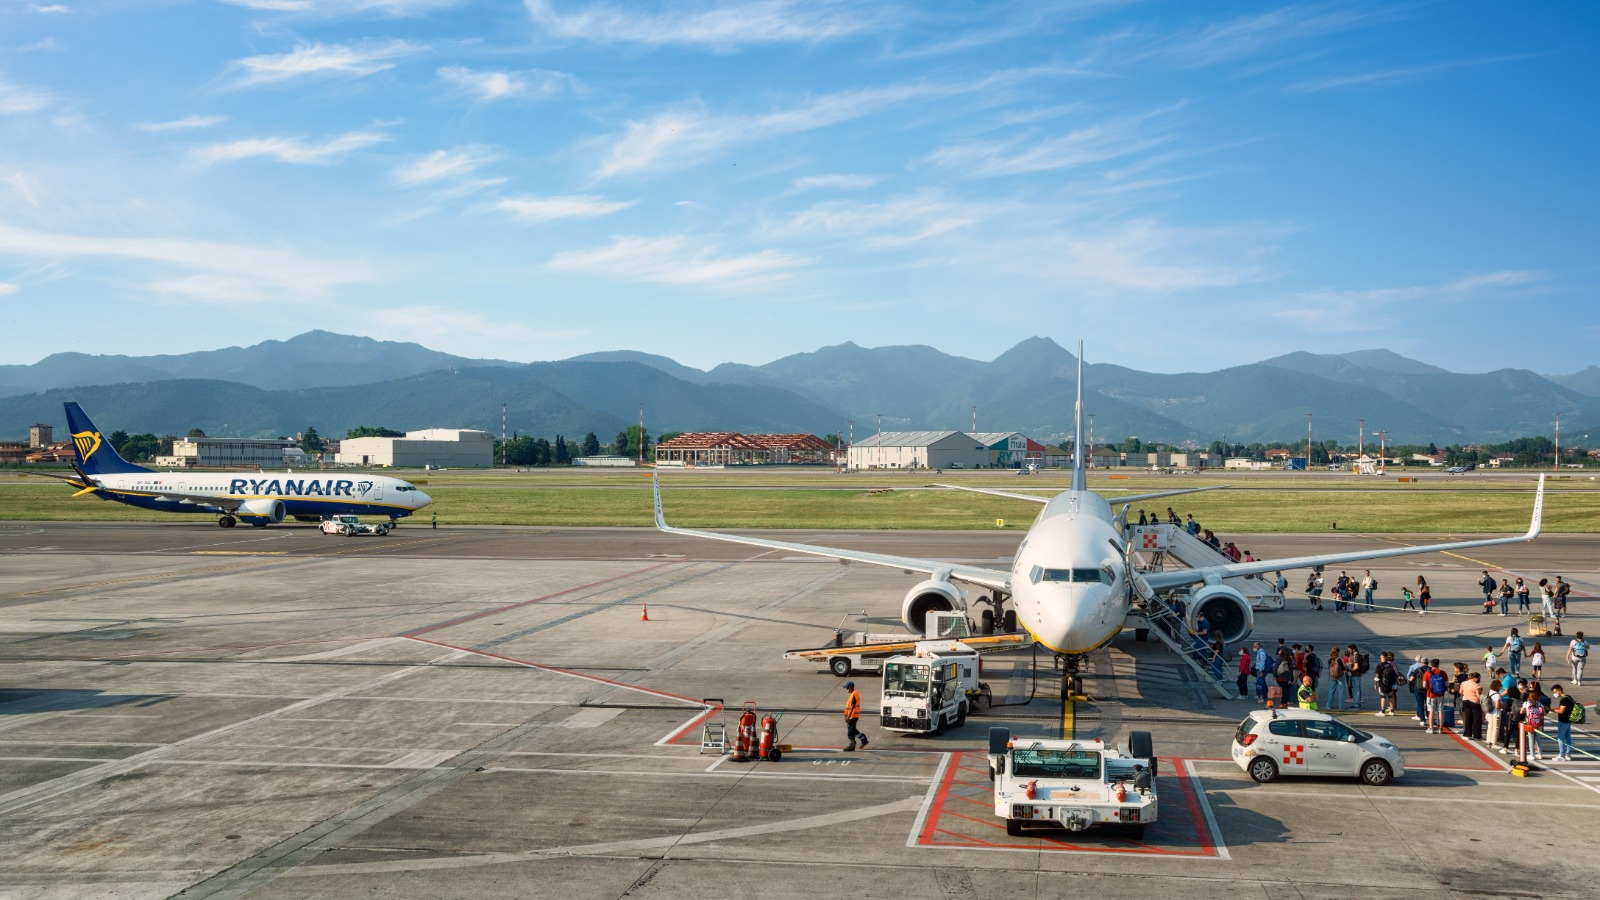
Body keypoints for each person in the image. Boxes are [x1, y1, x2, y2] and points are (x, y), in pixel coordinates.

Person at [1521, 685, 1547, 761]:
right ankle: (1540, 754)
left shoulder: (1527, 703)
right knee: (1538, 739)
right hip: (1539, 723)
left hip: (1530, 723)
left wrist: (1527, 711)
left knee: (1531, 739)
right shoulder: (1539, 704)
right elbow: (1544, 713)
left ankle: (1532, 755)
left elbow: (1521, 711)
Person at [1551, 684, 1576, 761]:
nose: (1554, 694)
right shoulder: (1569, 697)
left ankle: (1562, 755)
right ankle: (1568, 754)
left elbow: (1561, 711)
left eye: (1555, 692)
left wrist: (1550, 709)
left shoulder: (1564, 699)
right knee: (1568, 738)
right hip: (1569, 720)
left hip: (1563, 721)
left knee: (1560, 738)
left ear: (1559, 690)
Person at [1425, 658, 1450, 733]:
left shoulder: (1427, 673)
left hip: (1431, 694)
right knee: (1440, 710)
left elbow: (1424, 685)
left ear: (1431, 664)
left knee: (1431, 710)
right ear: (1438, 664)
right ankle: (1440, 728)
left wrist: (1429, 689)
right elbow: (1447, 684)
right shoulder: (1443, 673)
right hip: (1440, 694)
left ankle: (1431, 728)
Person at [841, 681, 868, 751]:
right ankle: (863, 739)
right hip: (853, 716)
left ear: (851, 687)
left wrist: (848, 717)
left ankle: (851, 746)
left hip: (852, 716)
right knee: (853, 730)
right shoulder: (854, 693)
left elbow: (853, 706)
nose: (847, 689)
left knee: (850, 732)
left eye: (847, 688)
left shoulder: (854, 694)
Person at [1460, 672, 1484, 741]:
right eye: (1478, 678)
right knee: (1477, 719)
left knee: (1468, 718)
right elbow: (1478, 696)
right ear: (1475, 678)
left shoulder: (1464, 683)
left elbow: (1460, 692)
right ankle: (1477, 735)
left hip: (1465, 701)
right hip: (1475, 702)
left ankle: (1467, 734)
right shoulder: (1477, 686)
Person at [1375, 652, 1399, 716]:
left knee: (1383, 697)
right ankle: (1392, 711)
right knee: (1391, 697)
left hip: (1382, 684)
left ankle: (1382, 711)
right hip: (1389, 683)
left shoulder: (1379, 665)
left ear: (1382, 657)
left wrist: (1375, 683)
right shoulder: (1390, 665)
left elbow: (1377, 676)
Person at [1406, 656, 1429, 721]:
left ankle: (1422, 719)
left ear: (1421, 663)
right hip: (1428, 688)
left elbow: (1411, 679)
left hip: (1418, 688)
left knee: (1420, 703)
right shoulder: (1430, 669)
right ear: (1428, 662)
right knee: (1428, 703)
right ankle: (1428, 715)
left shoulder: (1418, 670)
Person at [1346, 644, 1365, 709]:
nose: (1348, 651)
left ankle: (1356, 705)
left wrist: (1350, 670)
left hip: (1355, 675)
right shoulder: (1356, 655)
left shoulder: (1355, 656)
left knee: (1356, 690)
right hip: (1357, 675)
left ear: (1353, 649)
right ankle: (1358, 703)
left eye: (1349, 649)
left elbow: (1356, 666)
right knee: (1358, 689)